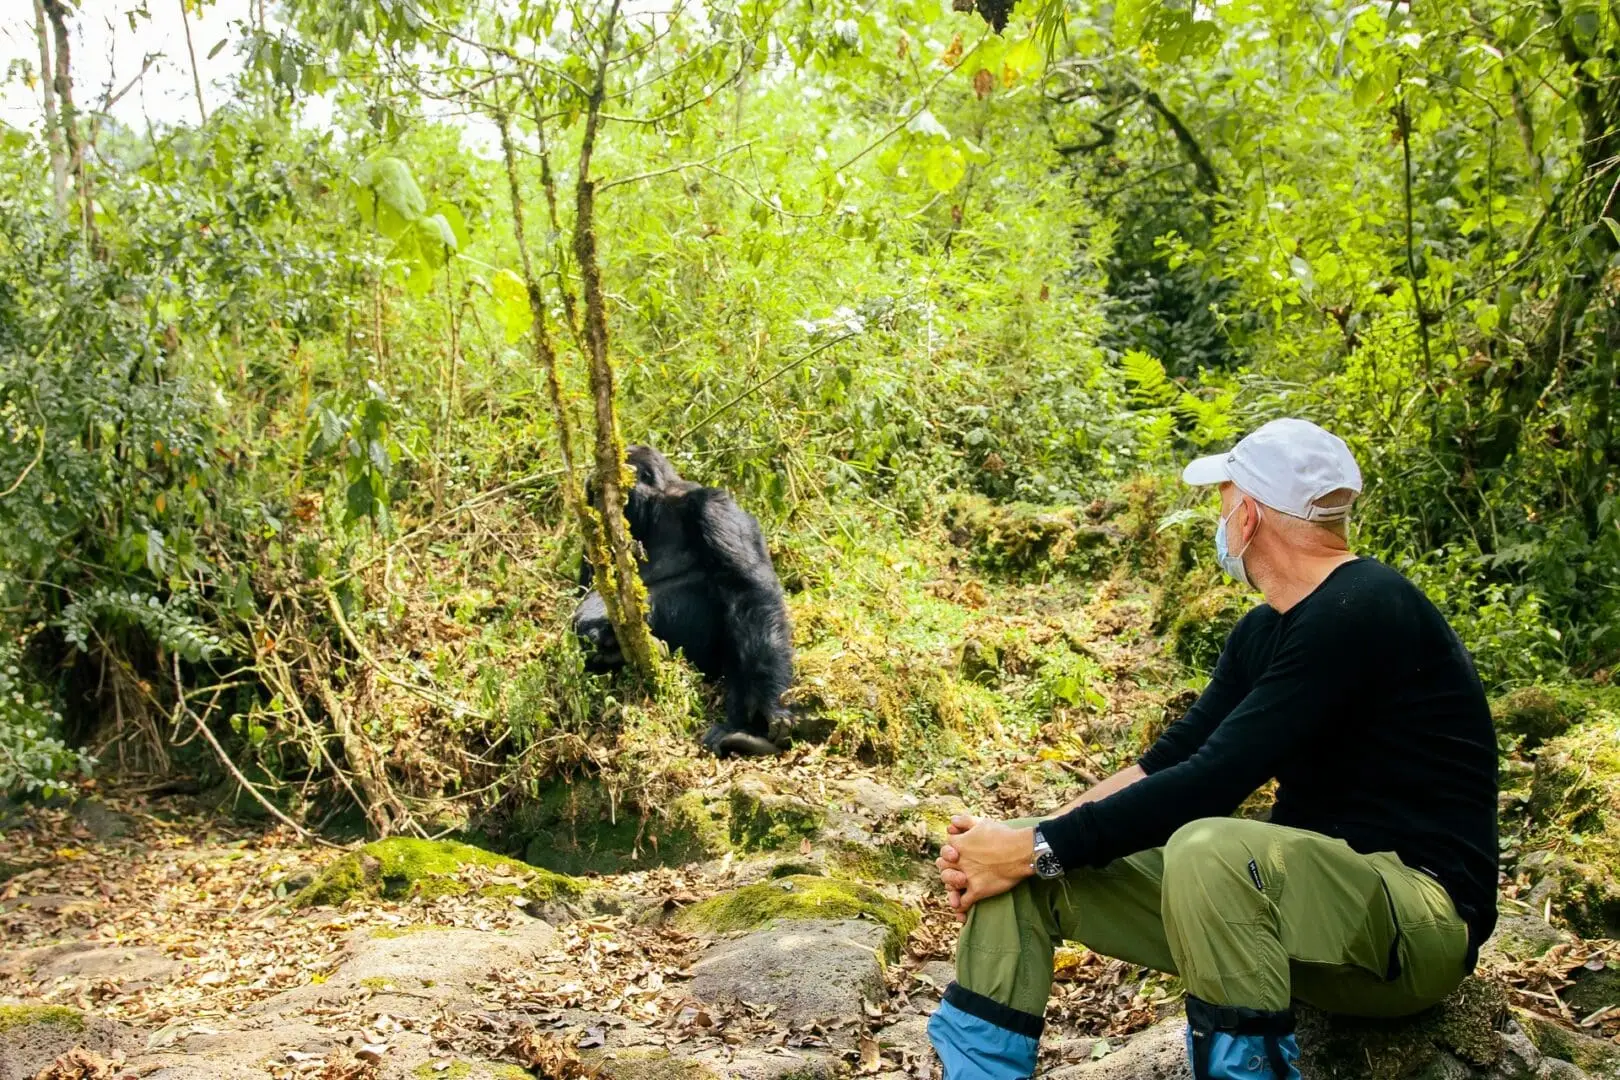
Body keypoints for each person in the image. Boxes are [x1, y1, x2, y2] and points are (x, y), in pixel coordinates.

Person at [926, 418, 1499, 1080]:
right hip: (1290, 924)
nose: (1219, 520)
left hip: (1413, 927)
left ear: (1249, 515)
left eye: (1223, 502)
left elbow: (1211, 782)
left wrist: (1035, 849)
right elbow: (1165, 764)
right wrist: (1021, 846)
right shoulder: (1264, 632)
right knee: (1026, 877)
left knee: (1206, 848)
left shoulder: (1365, 606)